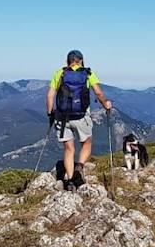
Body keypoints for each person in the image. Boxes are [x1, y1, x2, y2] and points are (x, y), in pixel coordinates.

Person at [46, 50, 113, 190]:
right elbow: (98, 92)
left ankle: (70, 181)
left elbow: (50, 96)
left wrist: (50, 112)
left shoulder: (60, 73)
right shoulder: (88, 73)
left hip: (62, 117)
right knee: (87, 142)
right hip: (81, 116)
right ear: (81, 60)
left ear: (67, 61)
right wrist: (105, 103)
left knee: (69, 148)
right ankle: (80, 166)